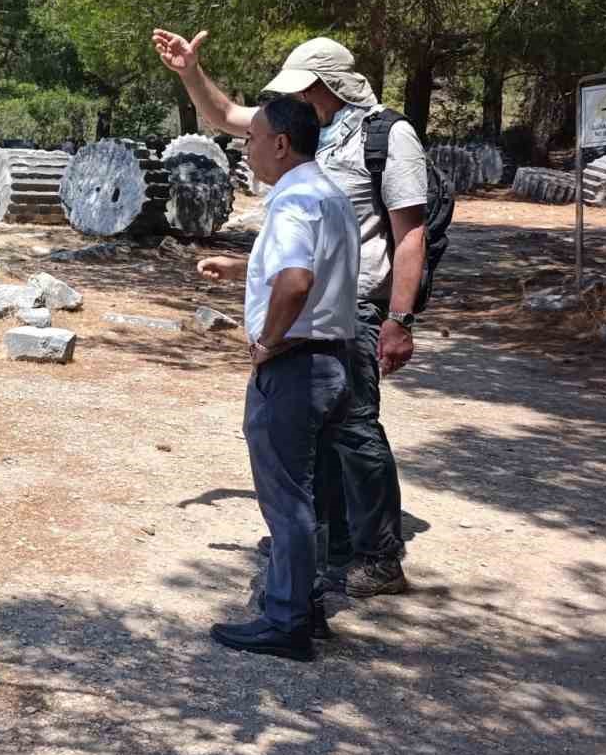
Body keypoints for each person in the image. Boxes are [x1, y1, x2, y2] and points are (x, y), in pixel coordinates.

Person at [154, 30, 425, 597]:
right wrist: (190, 71)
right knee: (318, 438)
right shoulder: (305, 130)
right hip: (308, 307)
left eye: (301, 86)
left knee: (354, 433)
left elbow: (410, 233)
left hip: (351, 309)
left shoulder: (387, 136)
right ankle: (324, 548)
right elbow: (227, 114)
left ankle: (378, 556)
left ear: (323, 86)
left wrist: (400, 318)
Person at [197, 98, 358, 661]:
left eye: (252, 139)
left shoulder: (292, 200)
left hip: (296, 366)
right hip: (335, 361)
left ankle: (285, 621)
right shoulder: (330, 195)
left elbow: (294, 282)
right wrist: (244, 269)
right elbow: (309, 269)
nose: (248, 149)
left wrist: (266, 343)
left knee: (286, 499)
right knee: (313, 495)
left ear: (281, 144)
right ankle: (306, 604)